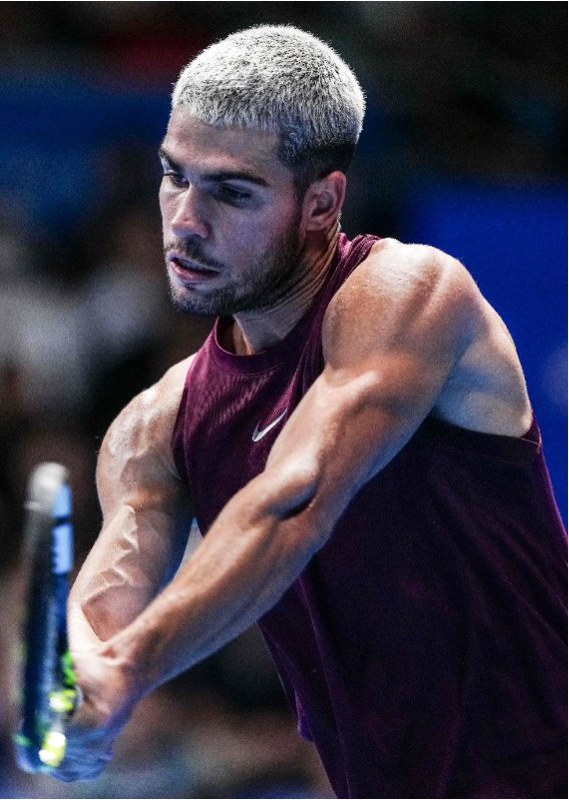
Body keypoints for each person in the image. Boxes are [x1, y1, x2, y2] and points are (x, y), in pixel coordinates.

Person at [52, 25, 567, 798]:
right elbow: (113, 591)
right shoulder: (154, 425)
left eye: (232, 192)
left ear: (322, 202)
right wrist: (84, 676)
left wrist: (129, 665)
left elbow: (294, 503)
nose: (185, 219)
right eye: (173, 176)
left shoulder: (411, 292)